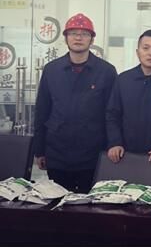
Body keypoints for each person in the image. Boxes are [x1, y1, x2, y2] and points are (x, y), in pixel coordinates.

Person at [33, 13, 117, 193]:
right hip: (57, 153)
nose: (78, 38)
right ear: (66, 38)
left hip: (93, 154)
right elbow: (42, 111)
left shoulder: (106, 72)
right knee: (58, 202)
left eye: (84, 34)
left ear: (92, 39)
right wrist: (39, 150)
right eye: (73, 33)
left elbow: (112, 113)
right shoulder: (52, 70)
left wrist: (113, 145)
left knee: (91, 205)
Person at [106, 29, 151, 164]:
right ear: (138, 52)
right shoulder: (123, 80)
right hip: (125, 155)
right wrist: (115, 142)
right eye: (146, 48)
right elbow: (112, 115)